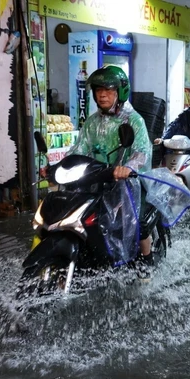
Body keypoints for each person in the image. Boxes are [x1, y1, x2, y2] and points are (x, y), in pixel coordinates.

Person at [67, 65, 154, 273]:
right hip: (98, 180)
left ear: (120, 91)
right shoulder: (91, 123)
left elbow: (142, 152)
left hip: (130, 182)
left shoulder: (134, 120)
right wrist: (61, 166)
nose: (102, 94)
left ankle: (147, 259)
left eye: (108, 90)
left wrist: (127, 168)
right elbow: (79, 148)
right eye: (98, 90)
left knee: (137, 222)